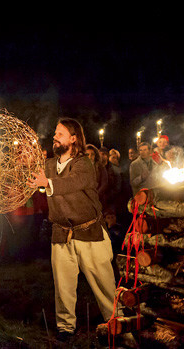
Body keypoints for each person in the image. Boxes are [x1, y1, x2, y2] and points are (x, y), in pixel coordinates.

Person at [27, 118, 116, 342]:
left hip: (89, 233)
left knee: (104, 285)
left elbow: (73, 183)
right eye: (55, 133)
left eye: (60, 133)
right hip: (61, 233)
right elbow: (34, 179)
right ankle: (66, 326)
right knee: (63, 284)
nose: (55, 137)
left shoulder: (84, 164)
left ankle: (117, 323)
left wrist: (47, 183)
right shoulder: (48, 165)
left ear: (73, 139)